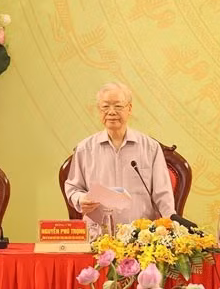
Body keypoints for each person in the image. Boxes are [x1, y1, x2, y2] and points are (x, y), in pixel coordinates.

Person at [64, 82, 176, 228]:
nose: (111, 112)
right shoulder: (84, 149)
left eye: (118, 106)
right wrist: (81, 199)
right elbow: (73, 188)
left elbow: (163, 195)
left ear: (129, 109)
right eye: (105, 107)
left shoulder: (150, 148)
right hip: (97, 235)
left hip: (140, 236)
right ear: (99, 110)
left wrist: (171, 228)